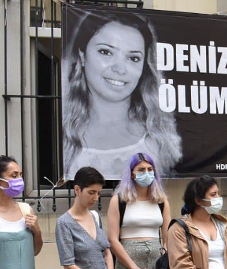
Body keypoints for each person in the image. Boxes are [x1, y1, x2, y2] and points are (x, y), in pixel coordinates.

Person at [62, 11, 181, 179]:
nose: (120, 69)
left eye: (133, 58)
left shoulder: (160, 139)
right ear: (82, 56)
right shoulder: (62, 134)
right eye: (106, 52)